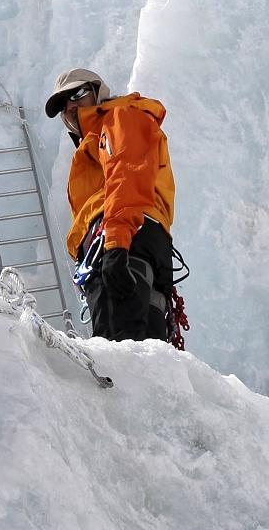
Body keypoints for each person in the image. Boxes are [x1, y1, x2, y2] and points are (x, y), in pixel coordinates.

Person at [43, 68, 174, 344]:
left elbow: (125, 174)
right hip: (140, 241)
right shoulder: (105, 133)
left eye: (78, 94)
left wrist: (115, 244)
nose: (71, 106)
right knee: (146, 351)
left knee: (118, 349)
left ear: (98, 92)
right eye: (63, 105)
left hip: (120, 238)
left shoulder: (119, 118)